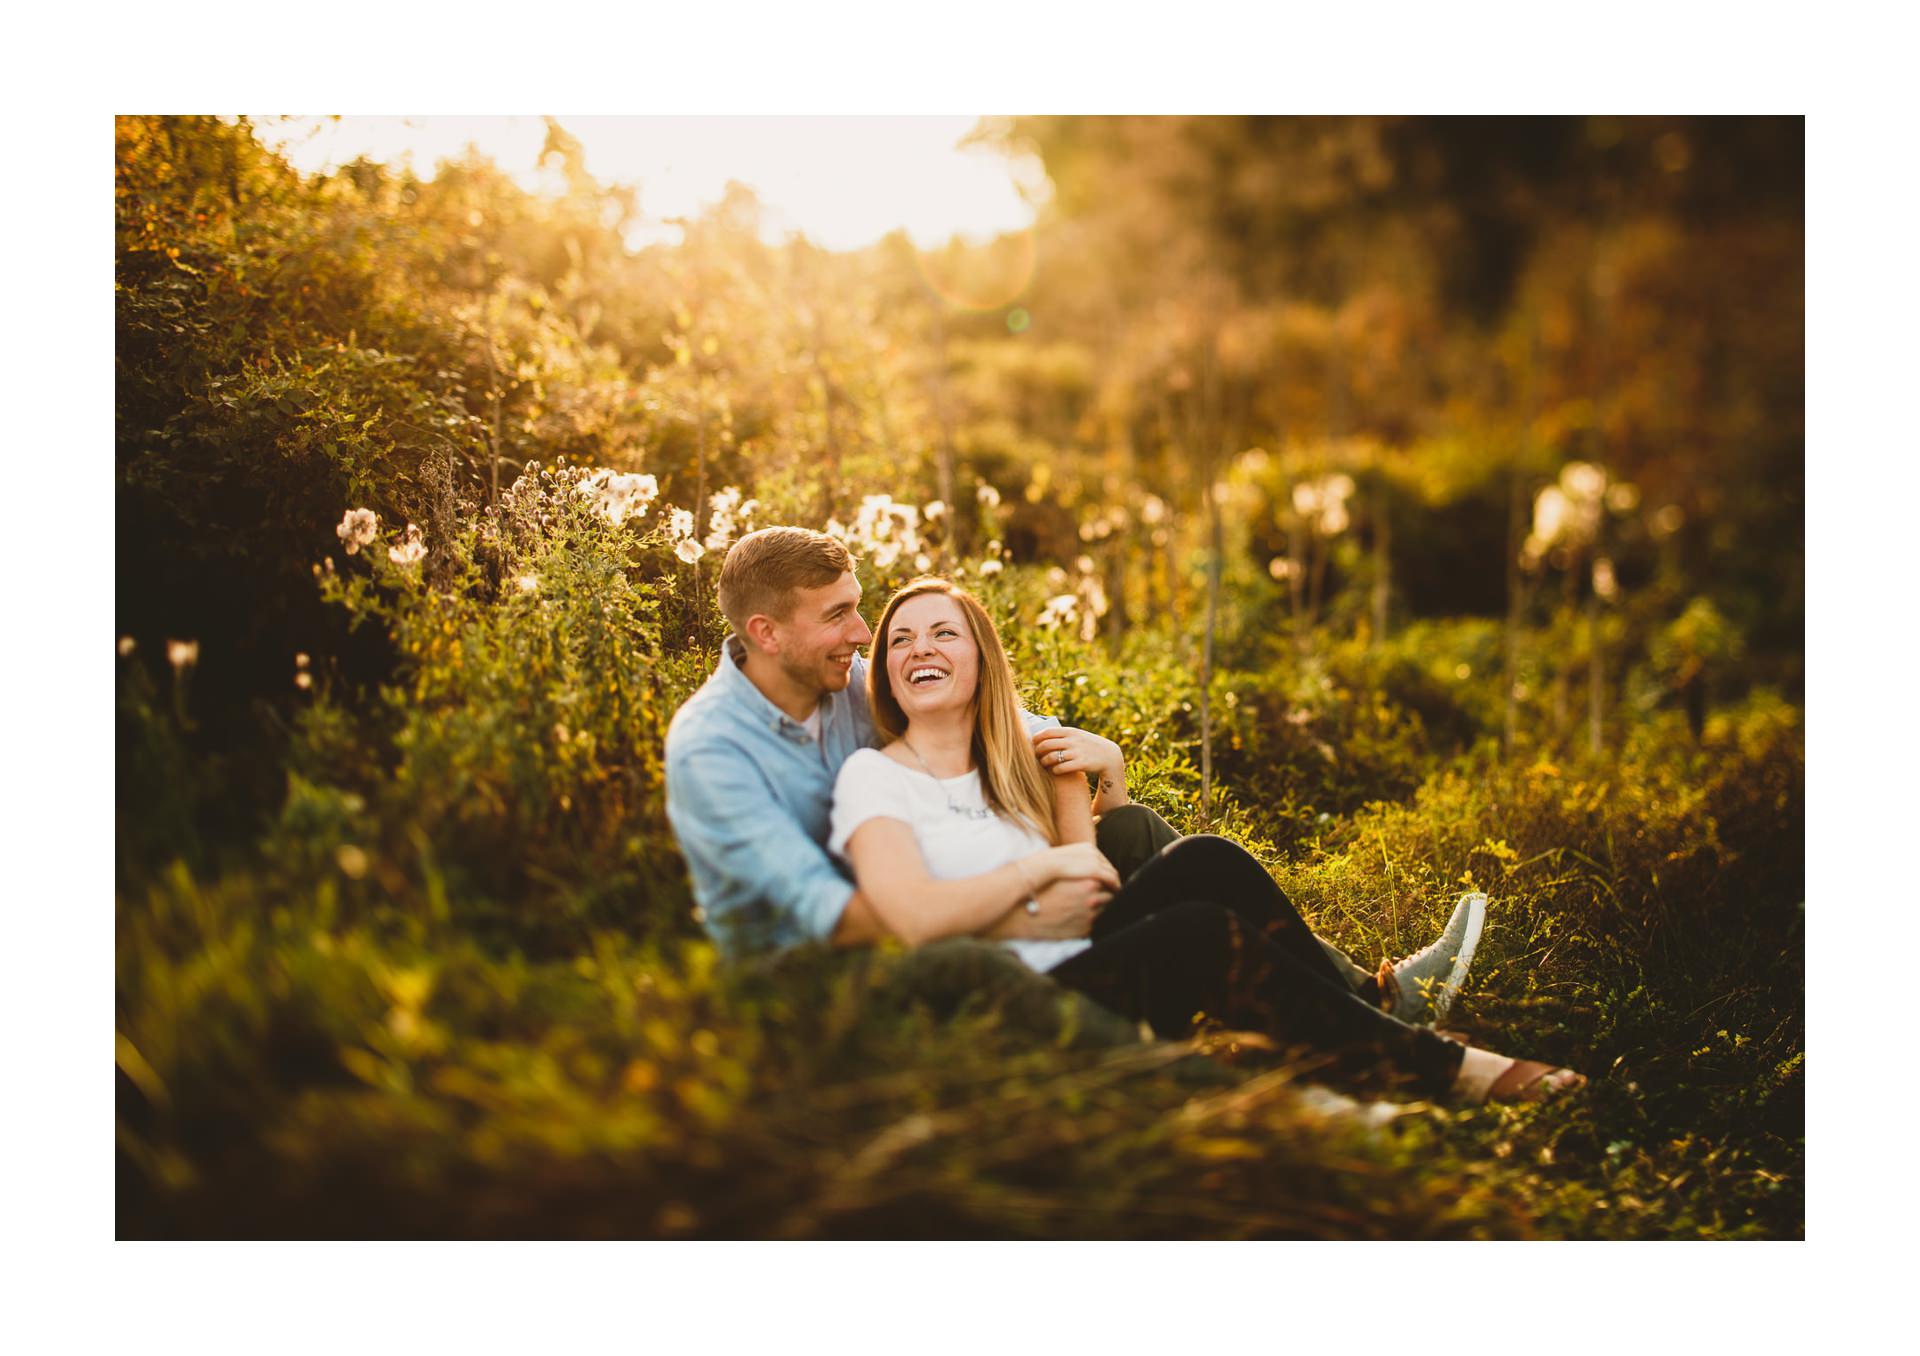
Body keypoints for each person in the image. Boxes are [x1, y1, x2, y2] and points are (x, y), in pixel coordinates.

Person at [663, 528, 1524, 1083]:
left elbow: (995, 716)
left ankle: (1369, 1000)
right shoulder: (713, 752)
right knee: (1171, 912)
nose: (863, 638)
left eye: (861, 614)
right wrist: (1021, 911)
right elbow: (834, 917)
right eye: (841, 617)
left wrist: (1089, 751)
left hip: (934, 896)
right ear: (766, 634)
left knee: (1142, 829)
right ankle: (1372, 1050)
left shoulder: (844, 678)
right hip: (830, 978)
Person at [826, 575, 1585, 1104]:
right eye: (901, 641)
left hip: (1087, 960)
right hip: (1016, 1008)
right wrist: (1034, 889)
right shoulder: (872, 776)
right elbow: (915, 921)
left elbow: (1089, 884)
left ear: (980, 659)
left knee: (1206, 859)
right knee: (1196, 932)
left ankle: (1366, 1026)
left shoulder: (1024, 752)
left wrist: (1068, 849)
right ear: (884, 675)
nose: (919, 649)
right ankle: (1447, 1068)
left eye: (943, 634)